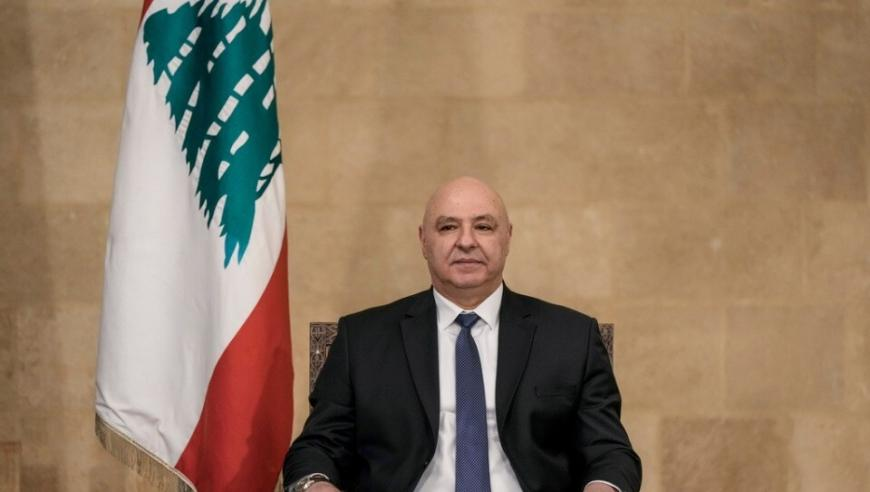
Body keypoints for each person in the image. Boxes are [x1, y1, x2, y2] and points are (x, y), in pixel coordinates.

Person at [283, 177, 641, 492]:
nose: (466, 241)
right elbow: (316, 448)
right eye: (448, 227)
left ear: (508, 237)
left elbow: (610, 452)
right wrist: (316, 485)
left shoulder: (572, 338)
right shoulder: (361, 339)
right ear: (423, 240)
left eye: (483, 227)